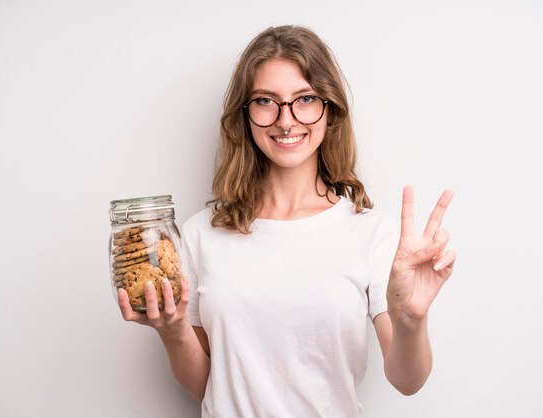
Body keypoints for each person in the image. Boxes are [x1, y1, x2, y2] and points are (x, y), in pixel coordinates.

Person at [118, 25, 456, 417]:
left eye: (305, 99)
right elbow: (208, 386)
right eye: (266, 101)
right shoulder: (197, 235)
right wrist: (172, 330)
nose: (286, 120)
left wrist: (413, 320)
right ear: (245, 116)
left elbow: (407, 380)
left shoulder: (372, 235)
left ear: (329, 110)